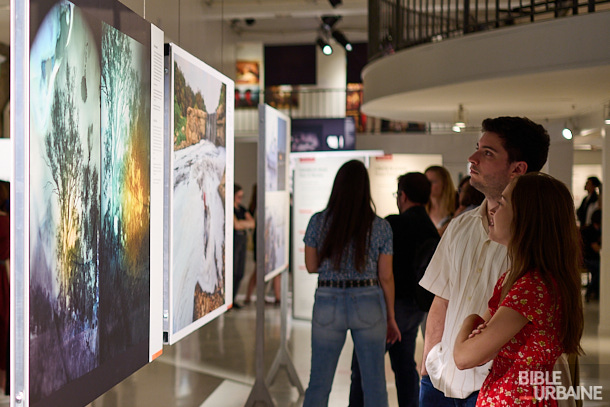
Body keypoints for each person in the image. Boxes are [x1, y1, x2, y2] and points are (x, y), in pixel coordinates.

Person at [419, 116, 550, 406]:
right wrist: (427, 368)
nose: (472, 158)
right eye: (478, 148)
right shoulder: (459, 227)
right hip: (441, 378)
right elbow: (441, 300)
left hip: (495, 388)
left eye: (487, 153)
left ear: (518, 169)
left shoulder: (534, 246)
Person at [454, 173, 584, 406]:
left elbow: (465, 357)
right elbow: (482, 350)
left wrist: (470, 320)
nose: (493, 210)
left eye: (503, 203)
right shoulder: (519, 279)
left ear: (527, 218)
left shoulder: (532, 287)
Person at [302, 160, 401, 407]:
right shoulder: (380, 226)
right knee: (375, 382)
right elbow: (386, 276)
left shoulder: (317, 221)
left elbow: (311, 266)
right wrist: (390, 317)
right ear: (365, 189)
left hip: (328, 299)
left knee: (319, 382)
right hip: (368, 299)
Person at [349, 172, 439, 407]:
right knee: (405, 365)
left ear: (403, 195)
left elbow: (382, 271)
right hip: (416, 308)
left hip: (389, 307)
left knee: (364, 365)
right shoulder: (430, 228)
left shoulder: (393, 224)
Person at [233, 184, 255, 308]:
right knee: (233, 271)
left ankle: (234, 298)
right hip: (234, 243)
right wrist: (243, 224)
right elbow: (236, 225)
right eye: (238, 196)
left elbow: (252, 223)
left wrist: (242, 224)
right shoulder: (230, 209)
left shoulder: (242, 209)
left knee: (240, 272)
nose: (240, 199)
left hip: (242, 243)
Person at [424, 166, 456, 235]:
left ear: (444, 183)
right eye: (426, 182)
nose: (428, 186)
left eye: (433, 182)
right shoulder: (424, 209)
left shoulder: (456, 206)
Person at [582, 209, 601, 302]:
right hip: (587, 259)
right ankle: (591, 290)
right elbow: (596, 248)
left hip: (589, 258)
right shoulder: (591, 231)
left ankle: (593, 291)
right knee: (601, 269)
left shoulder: (592, 229)